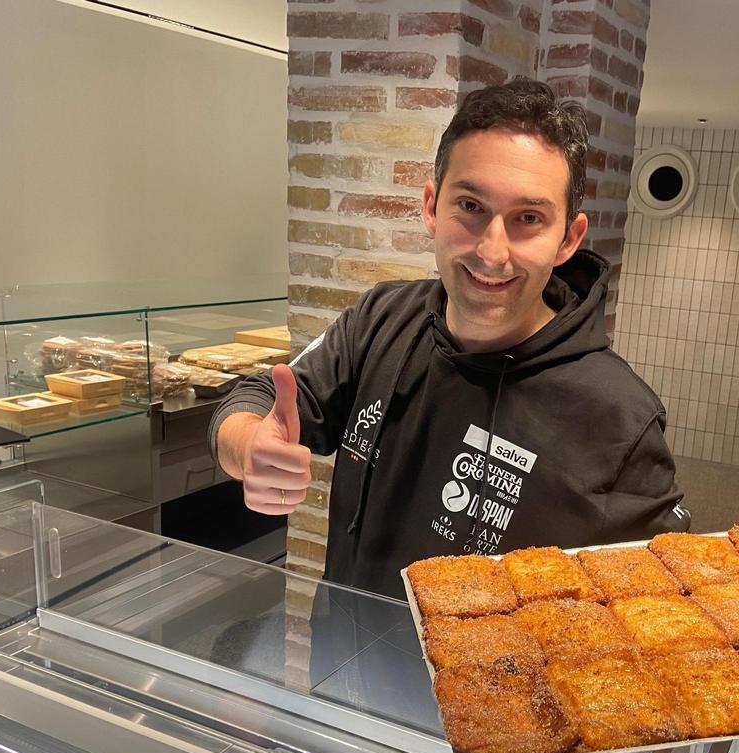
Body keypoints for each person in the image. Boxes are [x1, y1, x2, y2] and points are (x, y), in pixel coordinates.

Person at [211, 78, 690, 600]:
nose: (492, 251)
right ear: (431, 206)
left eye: (528, 218)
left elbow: (659, 607)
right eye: (471, 206)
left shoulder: (619, 418)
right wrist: (249, 448)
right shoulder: (380, 319)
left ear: (568, 239)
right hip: (342, 669)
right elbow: (255, 399)